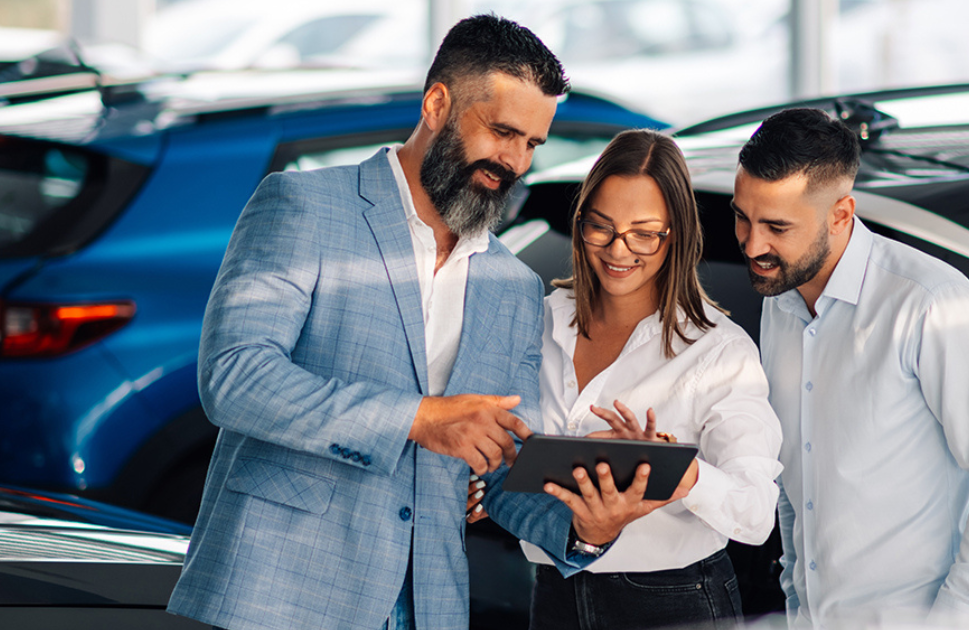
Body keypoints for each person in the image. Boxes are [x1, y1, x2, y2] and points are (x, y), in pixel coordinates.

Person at [168, 15, 660, 630]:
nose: (515, 162)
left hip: (428, 606)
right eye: (503, 132)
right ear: (437, 104)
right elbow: (235, 379)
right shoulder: (302, 205)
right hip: (279, 595)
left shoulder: (513, 285)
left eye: (532, 144)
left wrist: (587, 519)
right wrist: (422, 419)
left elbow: (503, 470)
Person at [731, 108, 969, 627]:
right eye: (743, 217)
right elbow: (796, 480)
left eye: (777, 226)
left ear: (840, 214)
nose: (752, 244)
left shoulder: (934, 304)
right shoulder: (779, 301)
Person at [470, 129, 782, 630]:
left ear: (675, 232)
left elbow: (756, 512)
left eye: (643, 233)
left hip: (673, 600)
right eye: (602, 227)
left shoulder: (719, 350)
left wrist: (680, 474)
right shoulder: (537, 321)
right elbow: (496, 441)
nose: (619, 250)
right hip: (554, 591)